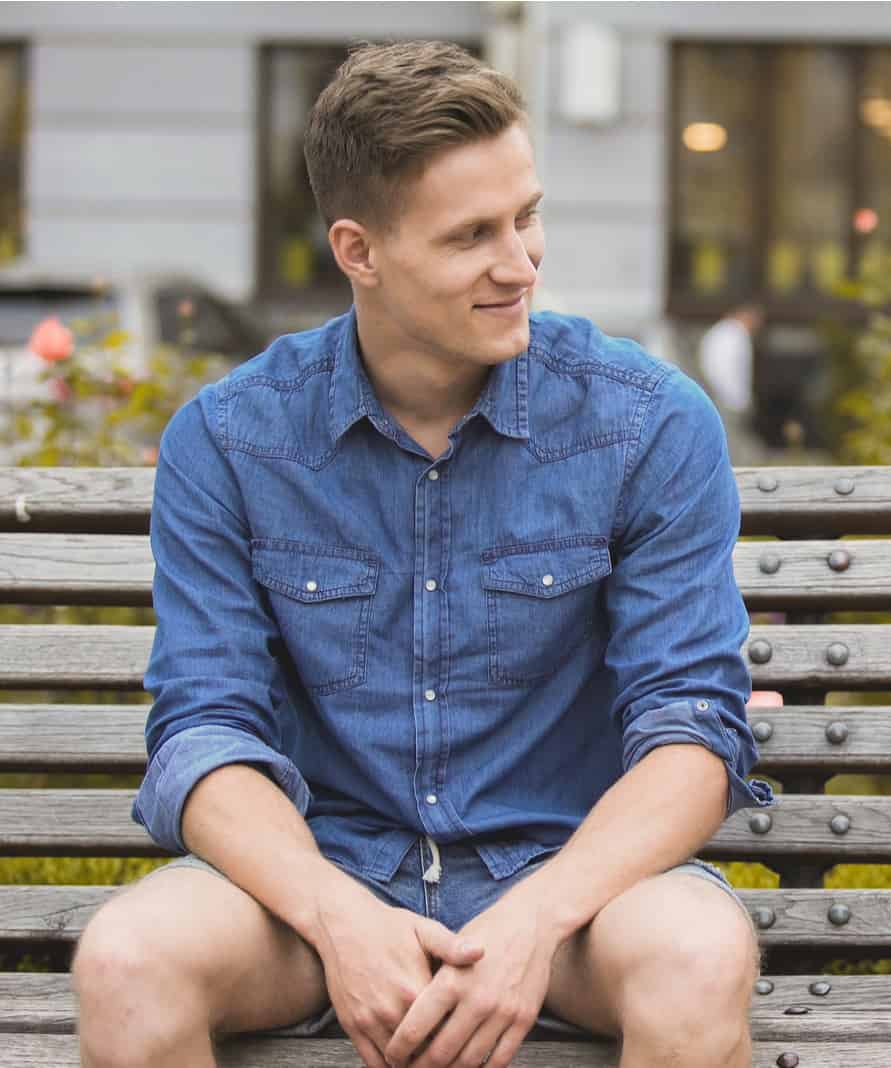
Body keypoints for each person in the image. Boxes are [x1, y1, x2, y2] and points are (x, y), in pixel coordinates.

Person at [71, 41, 770, 1068]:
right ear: (359, 250)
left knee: (699, 959)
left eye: (526, 217)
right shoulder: (231, 439)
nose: (519, 263)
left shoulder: (646, 424)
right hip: (318, 889)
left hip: (574, 893)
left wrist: (534, 919)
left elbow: (693, 732)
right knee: (127, 964)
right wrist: (336, 915)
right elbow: (203, 733)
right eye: (471, 236)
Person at [695, 302, 765, 464]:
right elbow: (723, 370)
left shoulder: (723, 332)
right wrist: (735, 399)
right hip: (728, 401)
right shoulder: (733, 334)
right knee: (731, 447)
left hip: (724, 399)